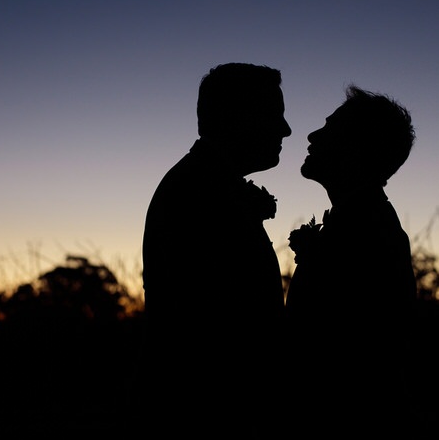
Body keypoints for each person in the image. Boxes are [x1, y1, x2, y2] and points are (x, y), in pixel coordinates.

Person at [139, 62, 291, 437]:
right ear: (237, 118)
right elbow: (217, 328)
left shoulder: (208, 182)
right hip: (211, 417)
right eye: (275, 115)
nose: (285, 129)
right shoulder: (200, 192)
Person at [284, 84, 417, 436]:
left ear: (357, 149)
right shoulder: (360, 221)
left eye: (330, 128)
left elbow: (345, 355)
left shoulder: (367, 233)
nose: (312, 135)